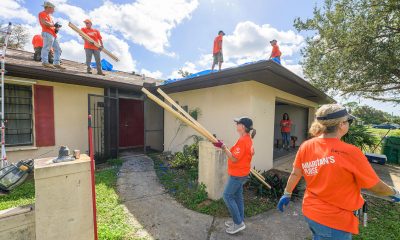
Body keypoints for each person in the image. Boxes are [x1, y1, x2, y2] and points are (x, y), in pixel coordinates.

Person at [277, 104, 400, 239]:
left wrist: (287, 193)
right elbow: (376, 186)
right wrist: (394, 193)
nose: (348, 124)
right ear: (342, 124)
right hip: (334, 220)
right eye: (349, 121)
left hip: (310, 211)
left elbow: (295, 173)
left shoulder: (306, 145)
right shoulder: (351, 152)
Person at [213, 117, 256, 235]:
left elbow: (234, 158)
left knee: (227, 196)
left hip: (238, 174)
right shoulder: (247, 139)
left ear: (242, 127)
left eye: (238, 123)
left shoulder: (243, 141)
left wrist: (223, 147)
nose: (236, 124)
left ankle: (238, 223)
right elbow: (249, 153)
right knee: (237, 197)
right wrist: (224, 146)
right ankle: (239, 220)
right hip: (242, 173)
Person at [38, 1, 64, 69]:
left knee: (58, 49)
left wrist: (56, 29)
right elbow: (44, 22)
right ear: (48, 8)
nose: (54, 10)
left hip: (53, 34)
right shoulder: (42, 13)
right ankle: (45, 62)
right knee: (47, 47)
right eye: (53, 8)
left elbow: (52, 25)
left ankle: (56, 63)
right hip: (47, 33)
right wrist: (53, 25)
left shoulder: (50, 17)